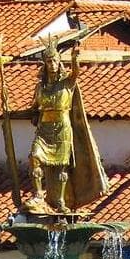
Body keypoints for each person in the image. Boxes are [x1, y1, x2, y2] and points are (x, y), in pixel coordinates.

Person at [23, 38, 109, 214]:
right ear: (45, 64)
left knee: (62, 166)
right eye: (49, 61)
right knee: (34, 157)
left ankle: (61, 201)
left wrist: (74, 58)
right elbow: (33, 110)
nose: (52, 64)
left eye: (55, 60)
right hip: (44, 129)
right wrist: (9, 113)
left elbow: (76, 73)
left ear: (59, 62)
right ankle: (39, 194)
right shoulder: (40, 88)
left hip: (63, 129)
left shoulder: (67, 83)